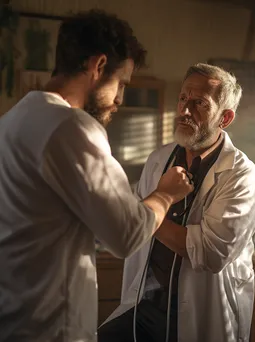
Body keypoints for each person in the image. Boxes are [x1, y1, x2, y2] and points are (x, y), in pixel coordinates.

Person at [0, 10, 193, 342]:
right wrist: (165, 194)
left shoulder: (12, 121)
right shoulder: (72, 127)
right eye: (121, 84)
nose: (119, 99)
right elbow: (127, 233)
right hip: (51, 329)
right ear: (98, 66)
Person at [98, 63, 255, 342]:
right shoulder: (159, 159)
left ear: (225, 118)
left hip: (202, 309)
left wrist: (146, 212)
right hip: (147, 301)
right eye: (183, 98)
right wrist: (147, 211)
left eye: (199, 103)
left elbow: (210, 252)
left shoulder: (241, 174)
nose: (185, 111)